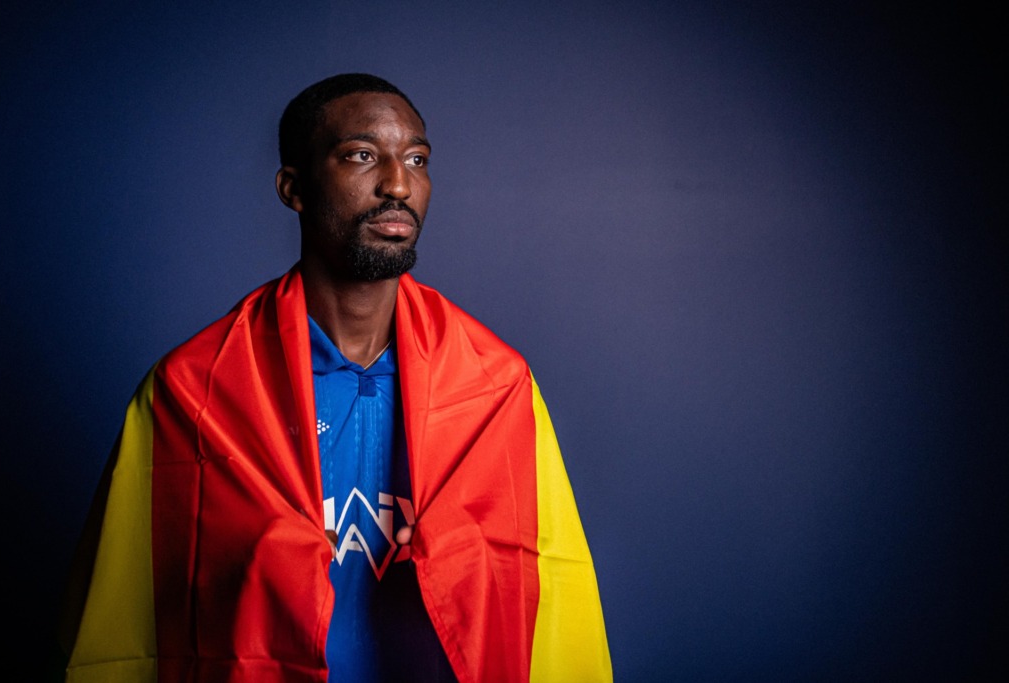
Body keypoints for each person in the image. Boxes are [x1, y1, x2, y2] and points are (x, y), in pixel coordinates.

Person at [57, 73, 612, 682]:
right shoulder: (194, 391)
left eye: (417, 159)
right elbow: (128, 626)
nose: (398, 184)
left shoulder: (496, 386)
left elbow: (552, 595)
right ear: (293, 188)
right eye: (362, 155)